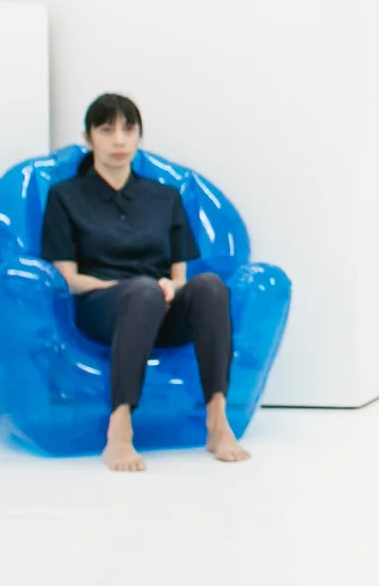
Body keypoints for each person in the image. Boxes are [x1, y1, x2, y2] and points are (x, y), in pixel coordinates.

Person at [40, 92, 250, 470]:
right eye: (106, 130)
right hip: (102, 309)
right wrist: (129, 289)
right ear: (88, 138)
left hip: (160, 305)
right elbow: (67, 279)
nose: (119, 140)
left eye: (128, 129)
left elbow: (179, 277)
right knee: (141, 292)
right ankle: (119, 431)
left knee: (210, 287)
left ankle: (218, 422)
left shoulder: (165, 197)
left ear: (139, 135)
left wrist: (170, 289)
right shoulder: (65, 197)